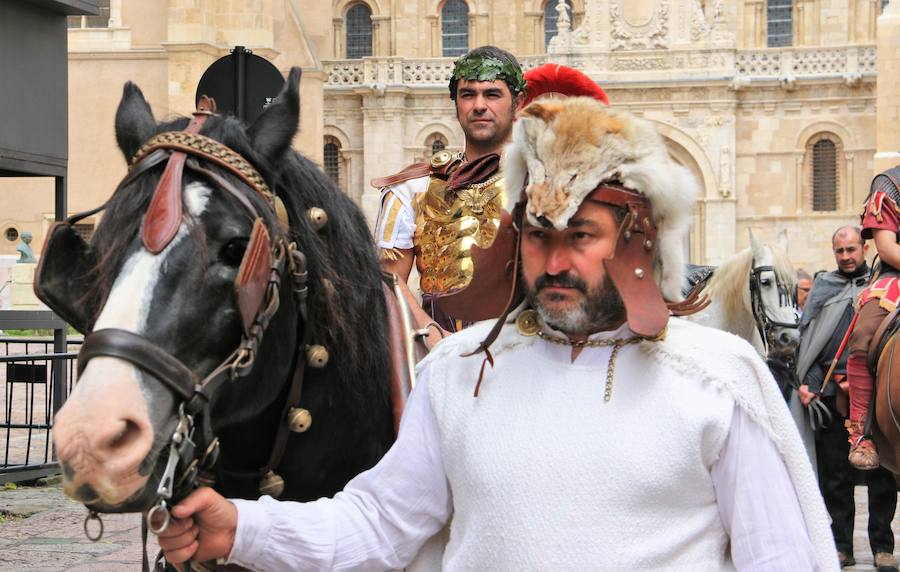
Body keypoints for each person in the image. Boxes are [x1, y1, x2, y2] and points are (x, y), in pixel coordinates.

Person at [158, 97, 837, 570]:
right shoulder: (460, 371)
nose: (555, 260)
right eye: (538, 236)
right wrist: (242, 527)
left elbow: (779, 558)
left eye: (581, 235)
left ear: (638, 239)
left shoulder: (717, 379)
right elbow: (377, 526)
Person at [372, 45, 525, 342]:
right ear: (455, 103)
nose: (479, 105)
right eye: (468, 94)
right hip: (439, 352)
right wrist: (431, 336)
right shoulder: (412, 188)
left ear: (518, 102)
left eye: (492, 94)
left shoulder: (542, 184)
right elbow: (387, 280)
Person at [796, 226, 897, 570]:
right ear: (834, 252)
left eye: (852, 250)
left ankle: (883, 547)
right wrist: (811, 382)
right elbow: (808, 342)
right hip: (830, 393)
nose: (846, 257)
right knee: (835, 478)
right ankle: (841, 546)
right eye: (840, 252)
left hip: (871, 393)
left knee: (882, 474)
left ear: (865, 248)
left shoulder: (880, 288)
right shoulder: (824, 287)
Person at [846, 166, 900, 470]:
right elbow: (887, 247)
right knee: (865, 331)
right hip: (897, 275)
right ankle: (861, 432)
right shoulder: (890, 183)